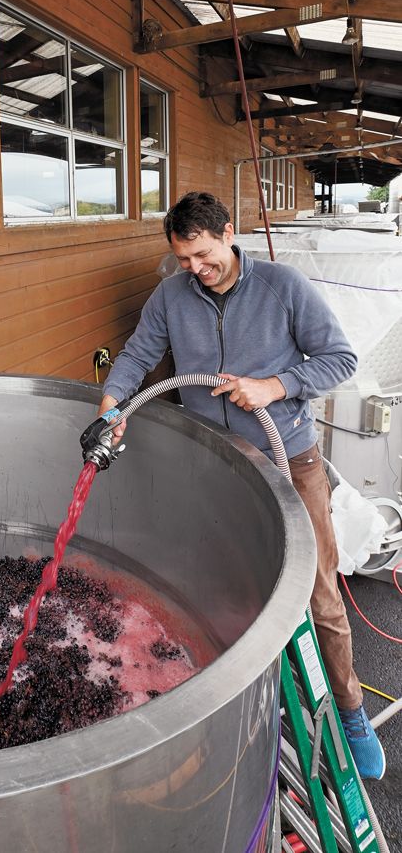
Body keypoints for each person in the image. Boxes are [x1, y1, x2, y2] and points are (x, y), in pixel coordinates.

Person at [100, 191, 386, 780]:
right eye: (183, 260)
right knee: (224, 586)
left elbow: (339, 359)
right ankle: (250, 707)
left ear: (228, 232)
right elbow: (137, 355)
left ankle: (351, 711)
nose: (195, 270)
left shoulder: (283, 286)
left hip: (291, 461)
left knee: (319, 594)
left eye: (203, 255)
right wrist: (112, 406)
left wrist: (274, 386)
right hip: (218, 463)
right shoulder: (172, 296)